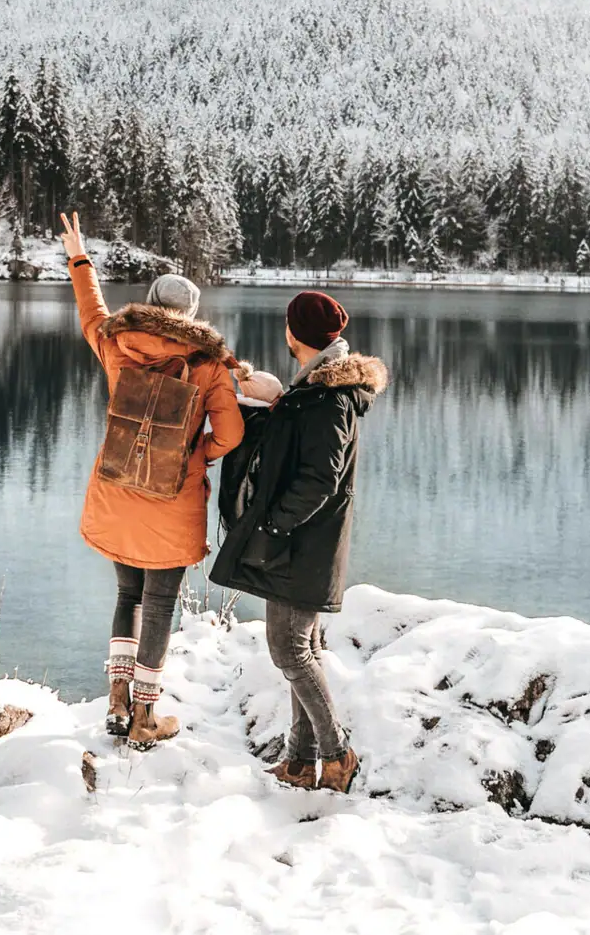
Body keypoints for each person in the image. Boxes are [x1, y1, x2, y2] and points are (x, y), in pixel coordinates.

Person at [60, 212, 247, 750]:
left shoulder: (117, 343)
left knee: (128, 592)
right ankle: (145, 716)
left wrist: (79, 257)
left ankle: (116, 698)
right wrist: (197, 456)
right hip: (172, 496)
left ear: (148, 302)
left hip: (118, 486)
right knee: (161, 602)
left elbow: (91, 310)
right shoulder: (208, 363)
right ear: (190, 315)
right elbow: (231, 434)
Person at [211, 290, 388, 793]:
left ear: (295, 334)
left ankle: (338, 754)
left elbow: (320, 478)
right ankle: (299, 759)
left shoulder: (329, 397)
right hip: (302, 542)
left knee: (289, 650)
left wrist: (274, 526)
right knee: (300, 645)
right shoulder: (316, 390)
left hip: (302, 543)